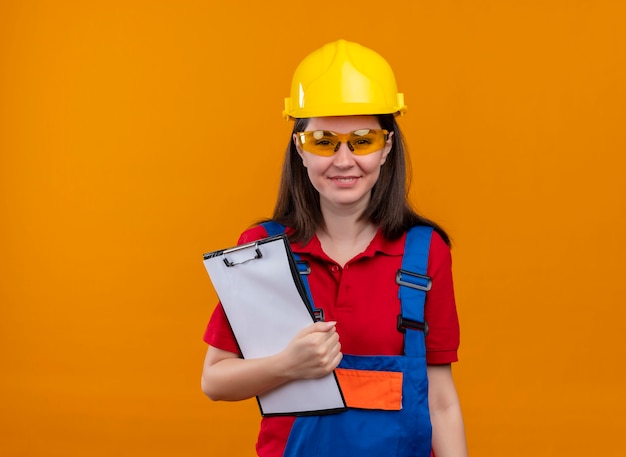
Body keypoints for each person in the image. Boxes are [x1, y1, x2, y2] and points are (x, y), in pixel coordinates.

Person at [201, 39, 467, 457]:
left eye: (362, 140)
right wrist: (288, 365)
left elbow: (442, 400)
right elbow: (214, 380)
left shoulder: (425, 252)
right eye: (324, 140)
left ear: (387, 148)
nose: (344, 160)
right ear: (300, 149)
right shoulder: (263, 250)